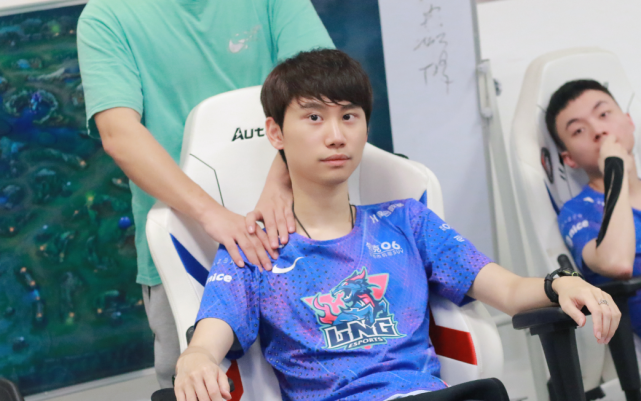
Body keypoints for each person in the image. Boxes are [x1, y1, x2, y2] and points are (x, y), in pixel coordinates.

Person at [175, 51, 621, 401]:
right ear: (275, 133)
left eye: (349, 116)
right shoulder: (255, 248)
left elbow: (507, 290)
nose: (336, 135)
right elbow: (208, 341)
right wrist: (195, 358)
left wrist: (561, 282)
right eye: (314, 117)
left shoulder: (407, 221)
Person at [77, 0, 334, 387]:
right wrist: (212, 214)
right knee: (199, 377)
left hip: (299, 229)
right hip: (186, 245)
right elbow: (118, 133)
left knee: (334, 369)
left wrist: (281, 179)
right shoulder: (107, 16)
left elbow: (326, 83)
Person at [548, 79, 641, 339]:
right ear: (569, 158)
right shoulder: (577, 212)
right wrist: (614, 168)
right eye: (578, 130)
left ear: (629, 121)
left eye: (603, 114)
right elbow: (617, 263)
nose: (598, 130)